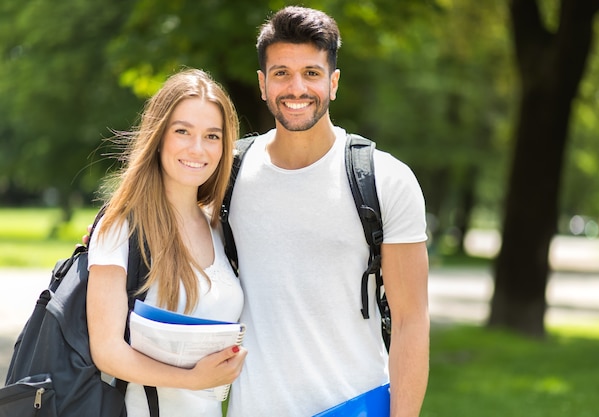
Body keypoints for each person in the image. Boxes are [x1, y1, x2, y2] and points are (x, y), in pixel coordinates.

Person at [225, 6, 429, 417]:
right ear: (263, 85)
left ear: (333, 83)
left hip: (356, 406)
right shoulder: (227, 173)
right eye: (281, 73)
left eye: (312, 73)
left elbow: (411, 322)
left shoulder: (386, 179)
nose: (296, 87)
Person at [86, 68, 247, 417]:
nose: (197, 148)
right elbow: (107, 351)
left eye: (212, 136)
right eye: (182, 131)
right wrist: (192, 379)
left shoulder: (219, 227)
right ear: (159, 137)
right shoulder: (121, 227)